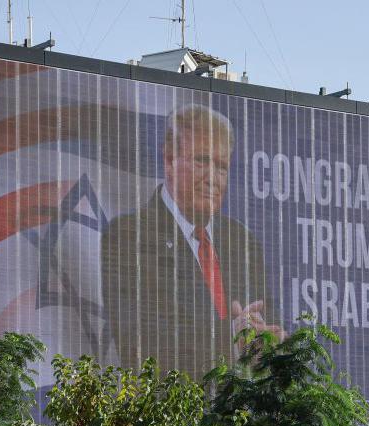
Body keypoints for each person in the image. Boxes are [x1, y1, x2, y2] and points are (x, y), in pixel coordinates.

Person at [101, 104, 282, 380]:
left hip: (242, 415)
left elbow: (267, 326)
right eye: (201, 161)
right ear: (170, 160)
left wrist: (269, 343)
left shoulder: (243, 243)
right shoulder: (127, 236)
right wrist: (231, 340)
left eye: (221, 167)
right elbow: (139, 343)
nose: (212, 178)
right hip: (170, 413)